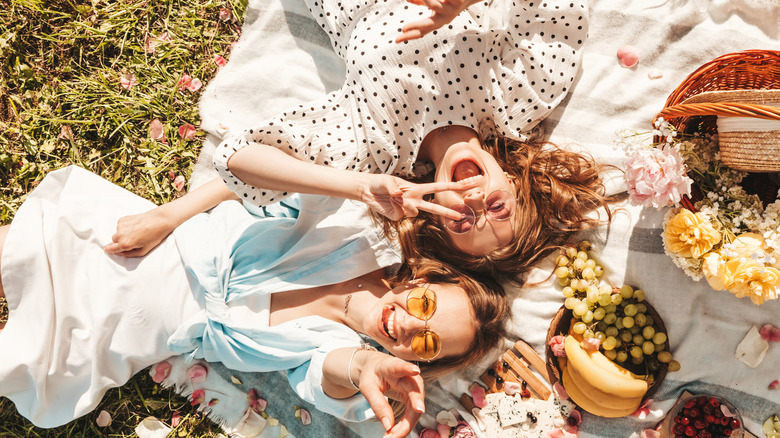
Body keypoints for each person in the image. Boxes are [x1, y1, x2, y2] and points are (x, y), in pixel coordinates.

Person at [0, 166, 509, 437]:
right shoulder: (351, 228)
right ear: (423, 281)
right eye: (423, 309)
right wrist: (169, 215)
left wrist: (363, 365)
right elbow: (250, 178)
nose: (405, 326)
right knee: (22, 251)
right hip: (151, 248)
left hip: (131, 333)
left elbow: (328, 373)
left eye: (424, 343)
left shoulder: (338, 351)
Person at [206, 0, 611, 282]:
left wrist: (360, 187)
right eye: (496, 207)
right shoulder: (517, 99)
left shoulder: (378, 150)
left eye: (463, 220)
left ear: (435, 214)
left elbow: (237, 159)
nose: (473, 200)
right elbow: (555, 10)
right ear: (514, 183)